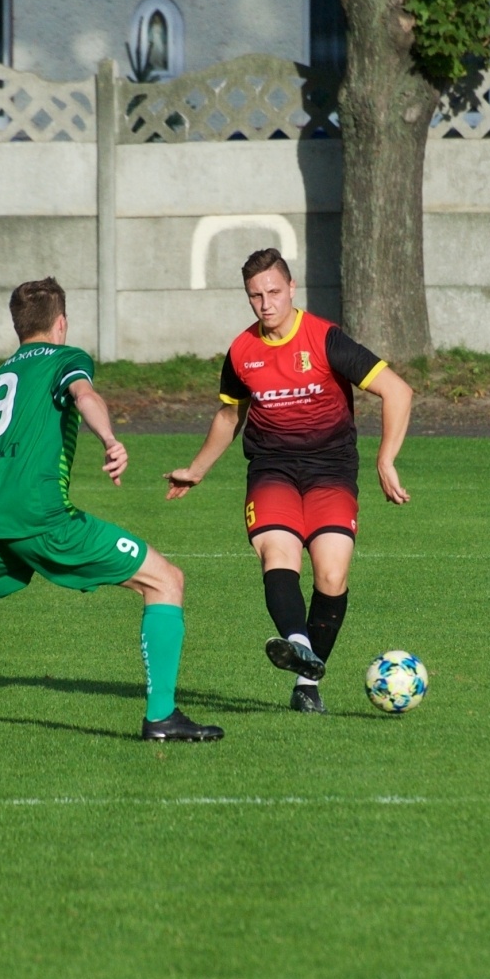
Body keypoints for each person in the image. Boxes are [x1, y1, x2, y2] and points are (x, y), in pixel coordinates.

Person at [0, 277, 222, 742]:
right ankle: (161, 717)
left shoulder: (3, 374)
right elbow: (85, 395)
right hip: (42, 520)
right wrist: (110, 439)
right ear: (61, 323)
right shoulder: (65, 359)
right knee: (166, 580)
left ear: (18, 326)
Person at [165, 248, 413, 713]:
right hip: (272, 469)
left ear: (292, 288)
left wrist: (386, 460)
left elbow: (397, 390)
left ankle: (306, 678)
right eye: (255, 295)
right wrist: (196, 469)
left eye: (274, 292)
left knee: (332, 573)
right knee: (277, 554)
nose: (265, 303)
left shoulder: (325, 339)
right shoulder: (242, 350)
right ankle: (299, 649)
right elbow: (229, 413)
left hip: (330, 471)